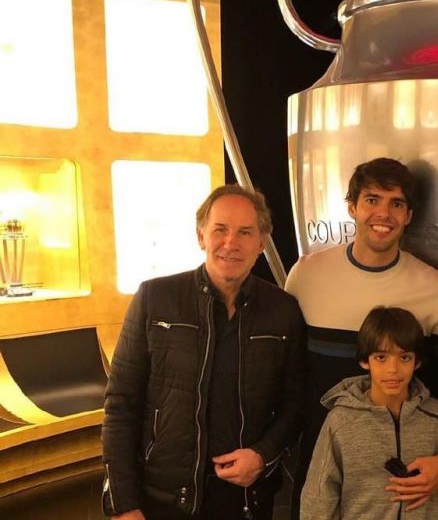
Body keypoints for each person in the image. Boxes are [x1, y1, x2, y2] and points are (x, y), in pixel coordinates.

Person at [101, 185, 305, 520]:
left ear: (261, 242)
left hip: (246, 499)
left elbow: (294, 402)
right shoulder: (155, 299)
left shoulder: (283, 310)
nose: (231, 243)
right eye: (220, 230)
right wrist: (124, 503)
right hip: (163, 500)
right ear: (201, 236)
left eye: (245, 232)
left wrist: (262, 455)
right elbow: (121, 404)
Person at [285, 158, 438, 517]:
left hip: (408, 488)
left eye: (396, 203)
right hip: (322, 473)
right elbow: (284, 375)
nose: (384, 213)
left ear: (409, 215)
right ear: (352, 207)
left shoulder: (433, 287)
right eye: (372, 199)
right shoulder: (306, 276)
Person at [300, 306, 438, 519]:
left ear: (417, 362)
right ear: (364, 360)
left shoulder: (435, 417)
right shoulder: (340, 422)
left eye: (404, 358)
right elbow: (318, 498)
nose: (392, 369)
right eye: (381, 357)